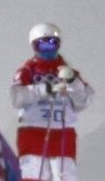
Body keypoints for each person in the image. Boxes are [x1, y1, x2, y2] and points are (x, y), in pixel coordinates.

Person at [10, 23, 94, 181]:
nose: (48, 49)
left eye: (52, 43)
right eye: (42, 45)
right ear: (34, 45)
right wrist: (46, 89)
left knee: (65, 176)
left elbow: (84, 101)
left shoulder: (68, 71)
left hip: (63, 132)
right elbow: (17, 98)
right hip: (32, 131)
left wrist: (73, 81)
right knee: (35, 175)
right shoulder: (27, 70)